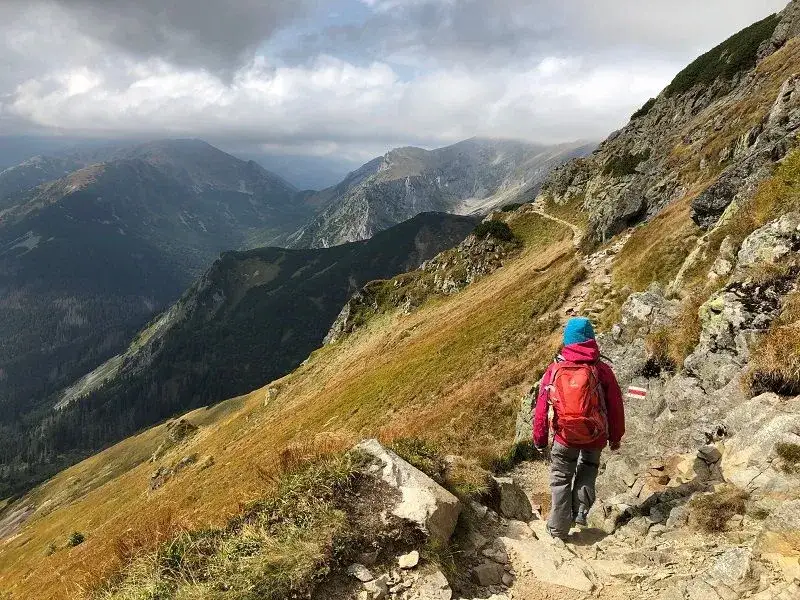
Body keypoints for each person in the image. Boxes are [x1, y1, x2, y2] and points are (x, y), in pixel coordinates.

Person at [533, 317, 625, 540]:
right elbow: (615, 405)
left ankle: (557, 529)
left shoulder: (555, 369)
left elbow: (542, 407)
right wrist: (615, 437)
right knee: (588, 467)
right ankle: (581, 512)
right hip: (595, 435)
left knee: (560, 478)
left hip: (564, 436)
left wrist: (540, 439)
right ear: (591, 340)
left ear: (567, 340)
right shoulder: (602, 370)